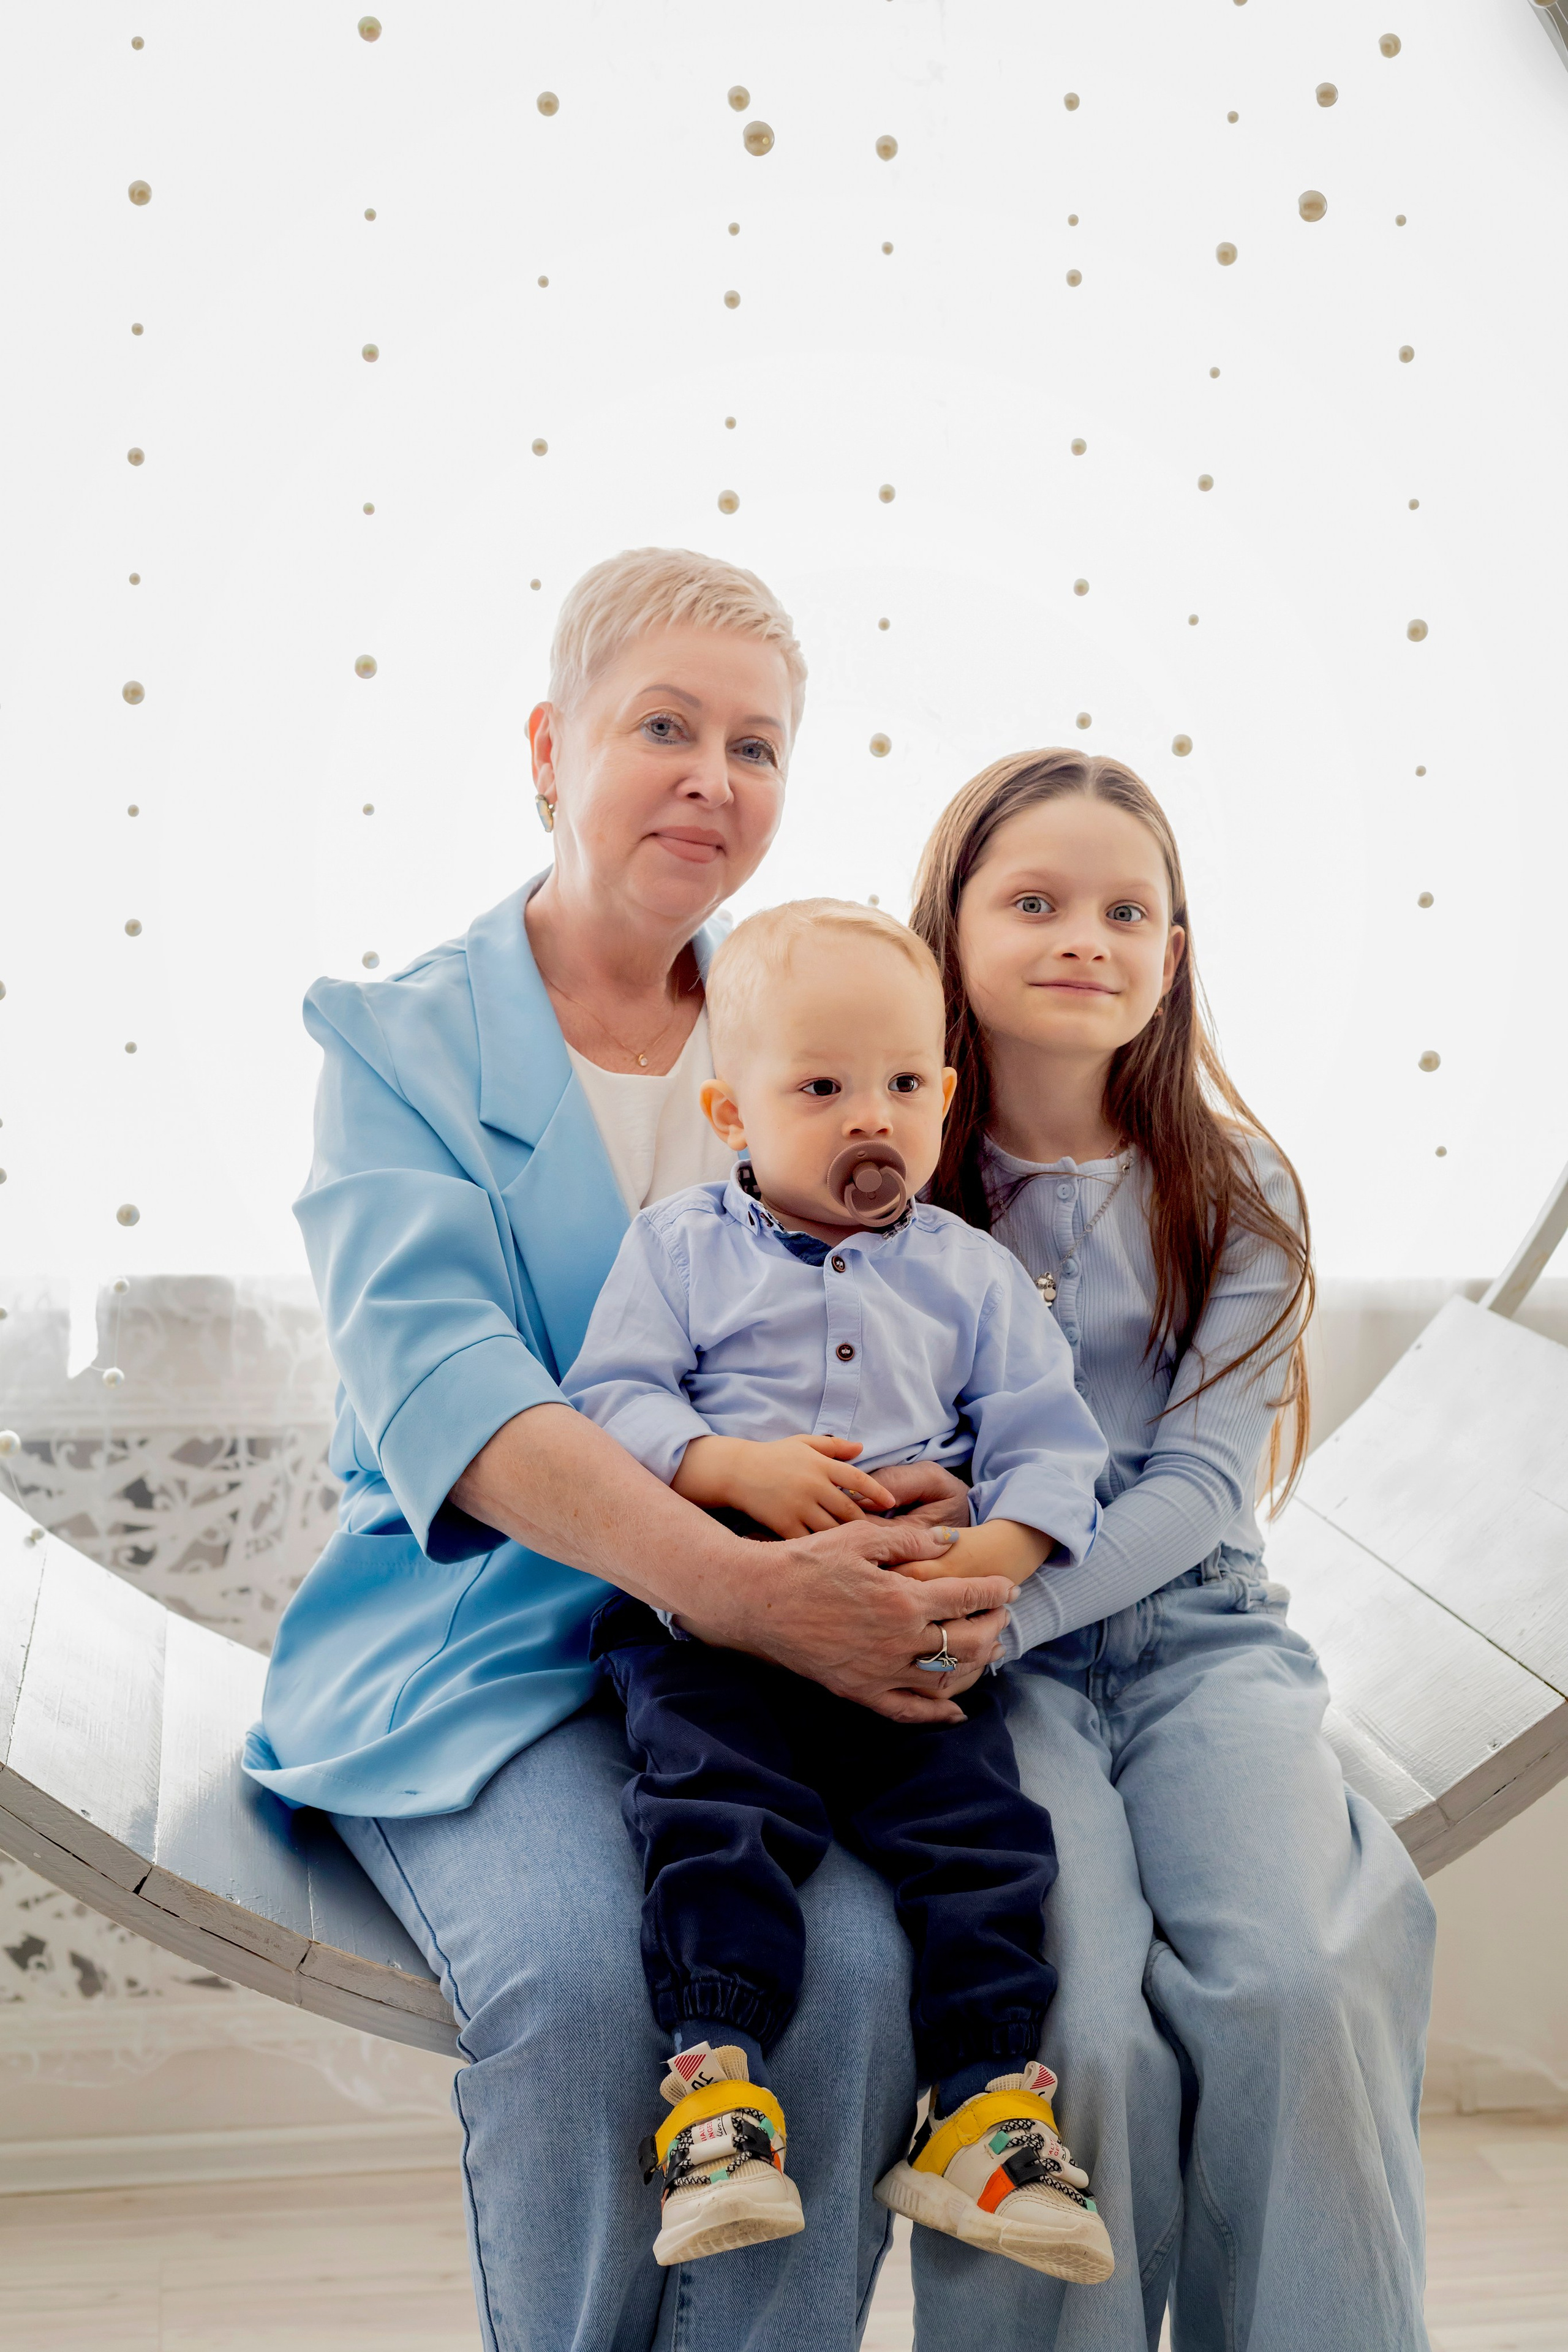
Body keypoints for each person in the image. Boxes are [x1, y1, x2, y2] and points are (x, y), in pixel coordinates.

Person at [243, 549, 1018, 2352]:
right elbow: (455, 1397)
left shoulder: (815, 1020)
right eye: (663, 727)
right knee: (595, 1993)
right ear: (547, 749)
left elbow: (931, 1317)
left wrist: (938, 1502)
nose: (711, 780)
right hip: (492, 1644)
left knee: (860, 1979)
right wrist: (745, 1592)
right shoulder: (399, 1043)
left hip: (766, 1668)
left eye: (756, 747)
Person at [903, 750, 1438, 2351]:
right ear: (949, 930)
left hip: (1194, 1642)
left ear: (1174, 952)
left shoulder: (1237, 1189)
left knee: (1296, 1981)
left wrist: (1009, 1608)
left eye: (1128, 911)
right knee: (1074, 2035)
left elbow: (1205, 1484)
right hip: (999, 1687)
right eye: (1035, 901)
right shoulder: (896, 1185)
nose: (1087, 935)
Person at [564, 898, 1112, 2282]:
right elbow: (609, 1401)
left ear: (945, 1096)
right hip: (716, 1625)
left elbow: (1052, 1448)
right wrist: (729, 1467)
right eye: (820, 1089)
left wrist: (977, 1564)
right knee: (715, 1813)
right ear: (731, 1112)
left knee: (983, 1838)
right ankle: (717, 2090)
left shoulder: (971, 1275)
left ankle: (982, 2107)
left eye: (905, 1084)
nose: (873, 1117)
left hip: (909, 1634)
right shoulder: (679, 1249)